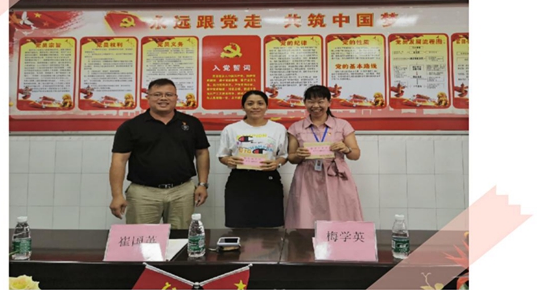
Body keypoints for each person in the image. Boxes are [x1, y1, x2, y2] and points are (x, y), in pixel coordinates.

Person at [109, 78, 210, 229]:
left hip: (182, 192)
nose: (163, 98)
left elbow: (202, 153)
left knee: (180, 238)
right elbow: (119, 161)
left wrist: (202, 184)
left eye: (168, 94)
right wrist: (117, 195)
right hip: (143, 193)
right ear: (148, 97)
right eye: (157, 94)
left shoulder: (192, 123)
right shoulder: (131, 126)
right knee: (142, 239)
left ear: (176, 97)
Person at [285, 85, 363, 228]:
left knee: (339, 214)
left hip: (336, 176)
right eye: (311, 101)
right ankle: (306, 242)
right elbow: (291, 158)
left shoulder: (342, 125)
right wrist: (299, 155)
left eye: (320, 101)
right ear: (305, 103)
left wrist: (346, 149)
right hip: (307, 177)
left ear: (329, 103)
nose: (315, 106)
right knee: (306, 215)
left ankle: (339, 241)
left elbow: (355, 155)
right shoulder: (296, 127)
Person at [217, 90, 288, 227]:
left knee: (269, 225)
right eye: (250, 104)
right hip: (240, 179)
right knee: (239, 224)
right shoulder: (231, 129)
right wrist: (228, 160)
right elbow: (222, 155)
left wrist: (277, 163)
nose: (255, 107)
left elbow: (283, 155)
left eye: (260, 103)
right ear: (243, 107)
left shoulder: (278, 129)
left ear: (266, 106)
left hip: (268, 179)